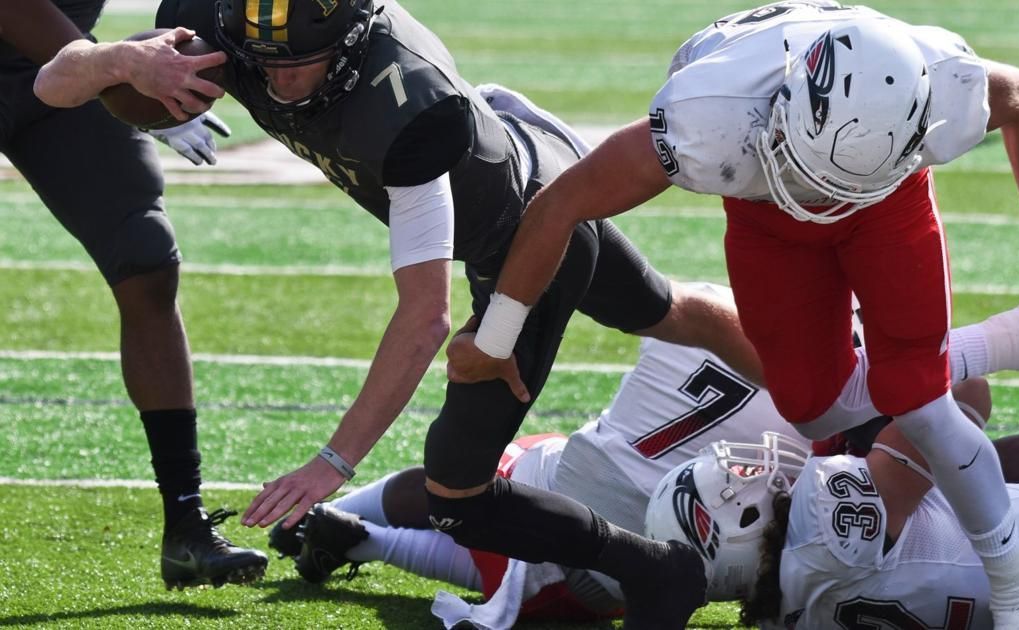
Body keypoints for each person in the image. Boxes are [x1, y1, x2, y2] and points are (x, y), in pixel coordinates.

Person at [35, 1, 783, 624]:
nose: (284, 79)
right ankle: (839, 416)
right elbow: (50, 85)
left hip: (525, 235)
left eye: (305, 59)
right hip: (524, 154)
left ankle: (656, 571)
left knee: (458, 497)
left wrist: (331, 462)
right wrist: (124, 63)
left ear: (354, 40)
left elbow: (425, 317)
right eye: (269, 60)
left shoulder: (408, 109)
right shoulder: (239, 26)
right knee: (674, 313)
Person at [446, 2, 1019, 626]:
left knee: (919, 396)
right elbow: (560, 204)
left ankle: (1018, 589)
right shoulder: (710, 115)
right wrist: (500, 334)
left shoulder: (944, 80)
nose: (833, 201)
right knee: (817, 409)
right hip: (770, 207)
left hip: (890, 197)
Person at [272, 286, 1019, 628]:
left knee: (524, 548)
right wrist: (962, 360)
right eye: (742, 480)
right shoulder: (833, 515)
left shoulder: (791, 599)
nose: (752, 467)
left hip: (591, 491)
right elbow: (961, 419)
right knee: (943, 444)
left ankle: (366, 533)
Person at [2, 1, 266, 588]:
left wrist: (177, 69)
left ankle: (186, 526)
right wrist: (121, 67)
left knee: (145, 255)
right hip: (51, 49)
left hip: (50, 64)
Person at [644, 389, 1019, 629]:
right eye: (738, 480)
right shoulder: (823, 515)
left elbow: (972, 469)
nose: (753, 471)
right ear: (737, 525)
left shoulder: (788, 615)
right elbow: (970, 394)